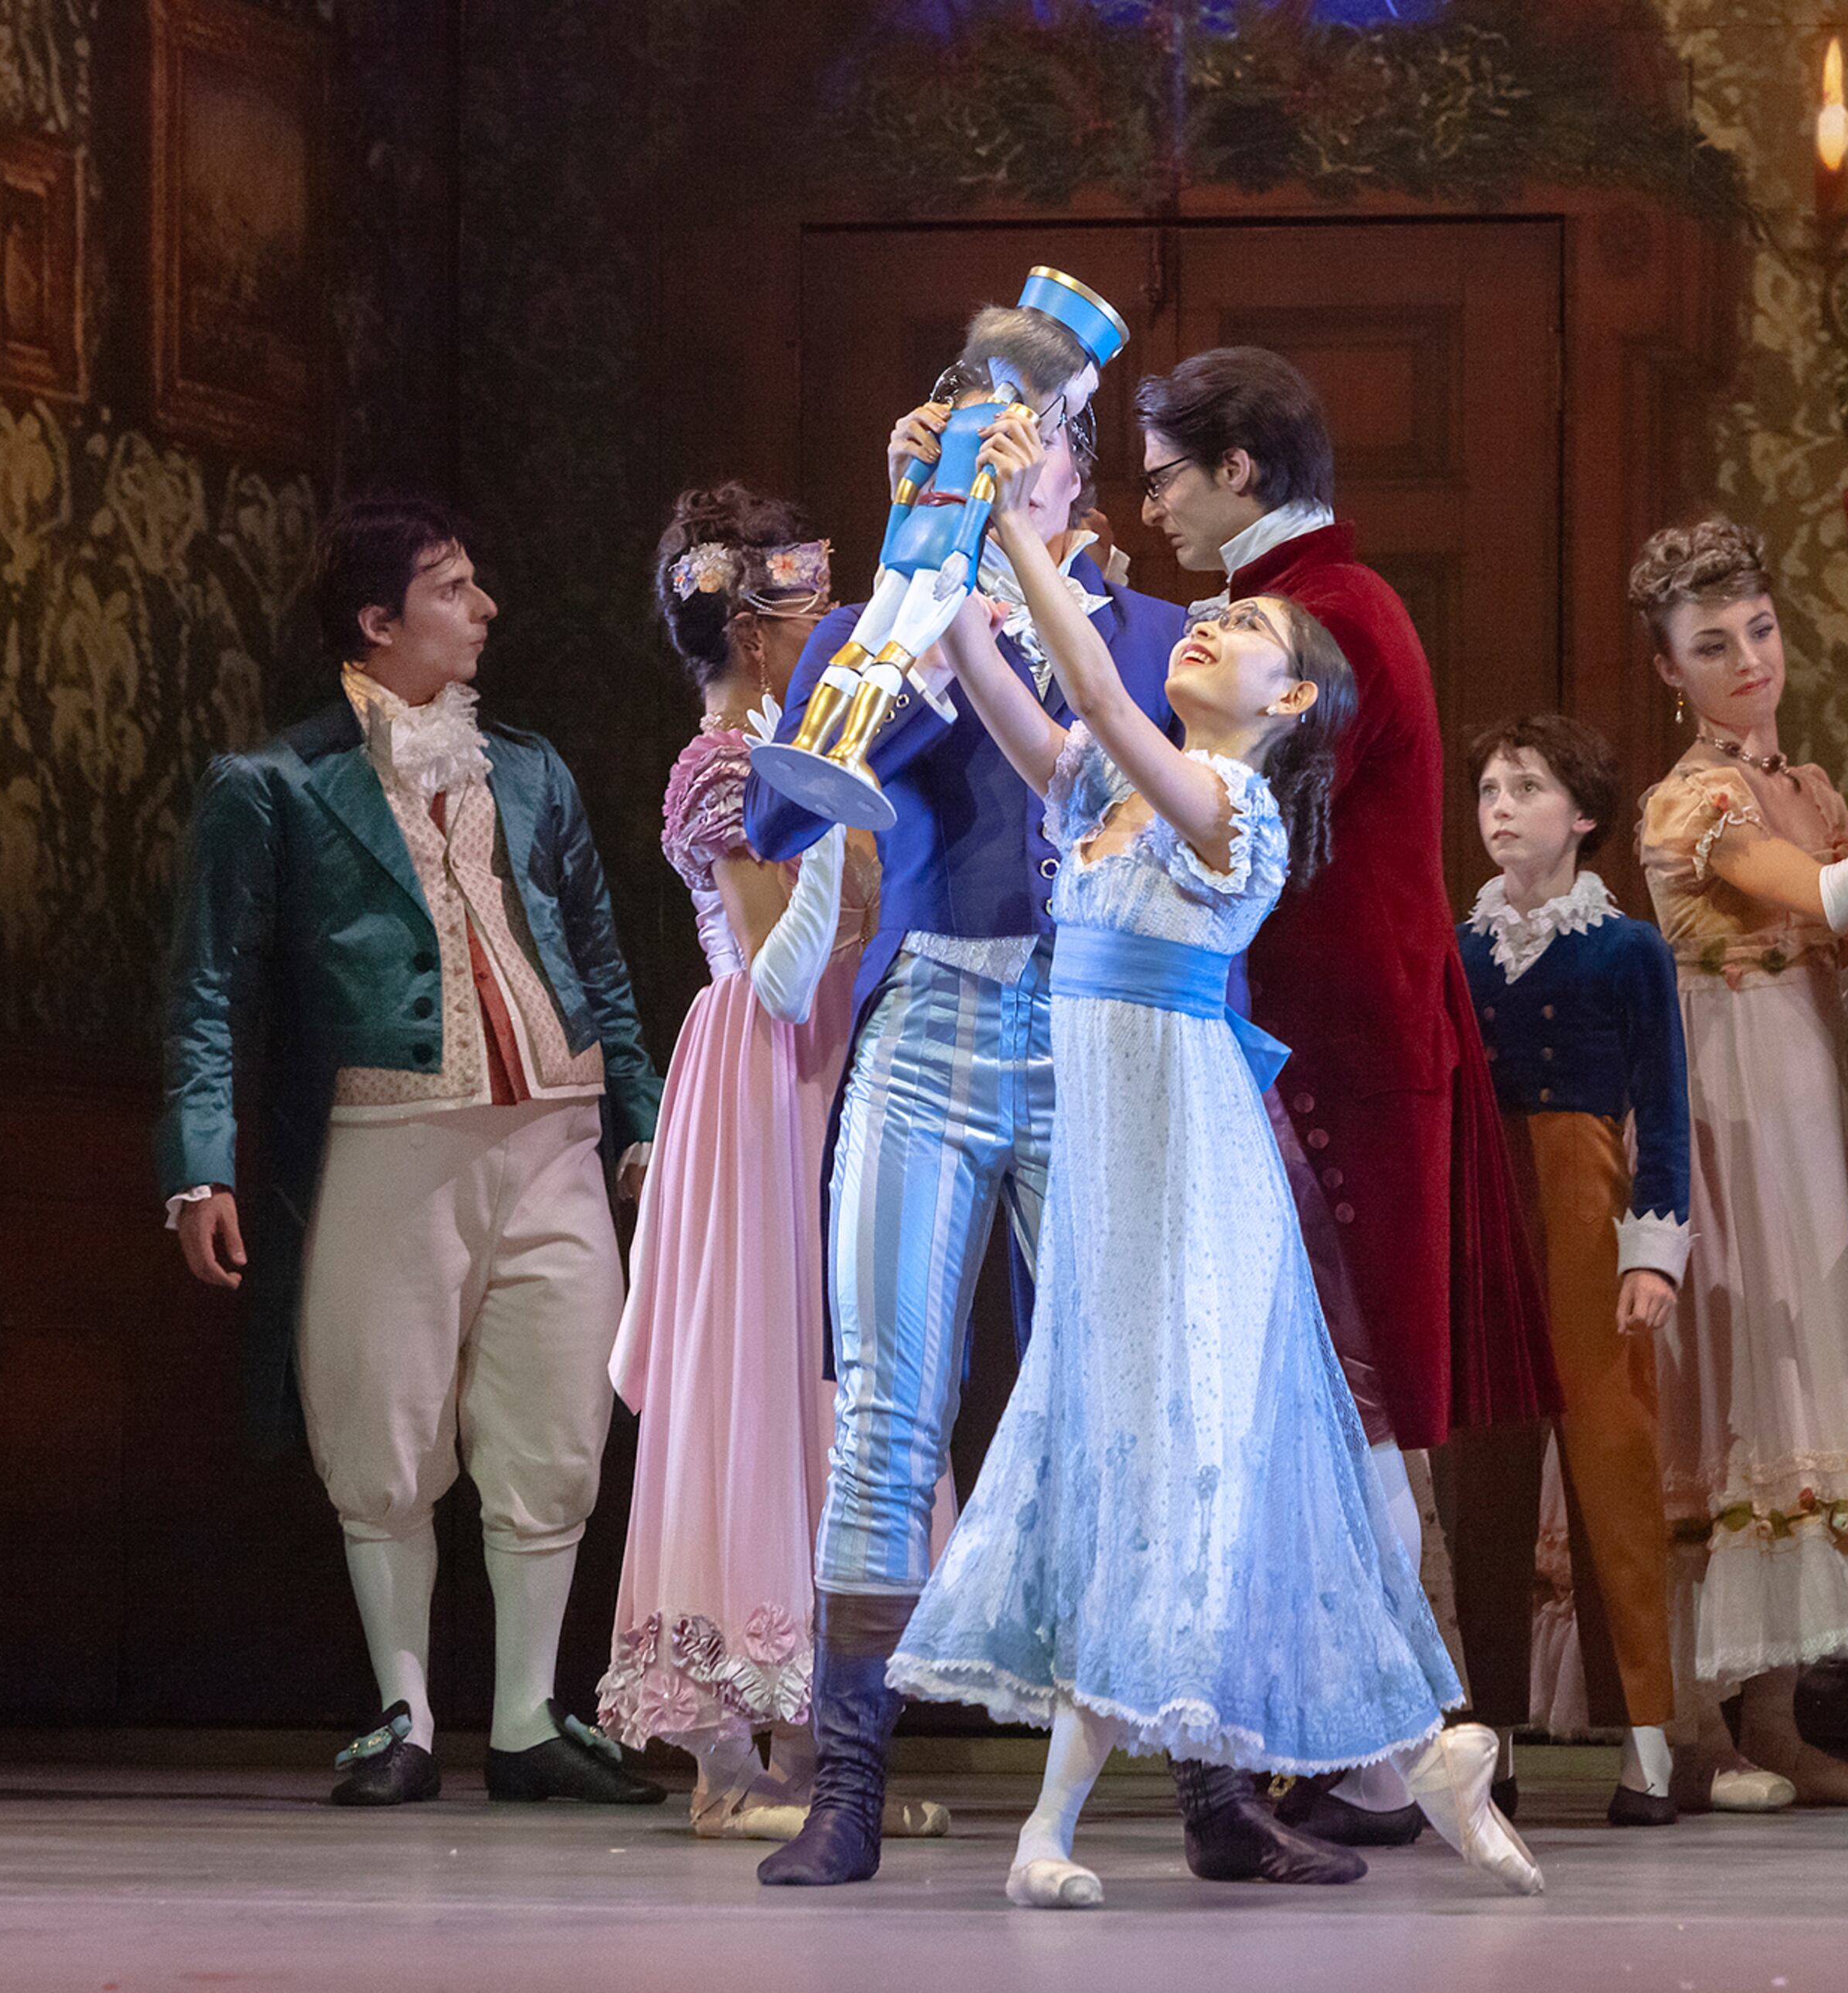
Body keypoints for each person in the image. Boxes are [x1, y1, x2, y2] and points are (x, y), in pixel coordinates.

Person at [885, 406, 1539, 1909]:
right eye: (1215, 613)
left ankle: (1352, 1762)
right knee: (1114, 1479)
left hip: (1196, 1183)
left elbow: (1107, 705)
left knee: (1176, 1484)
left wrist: (1018, 540)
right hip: (1120, 1188)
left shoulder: (1231, 807)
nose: (1212, 629)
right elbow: (1021, 703)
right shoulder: (1113, 796)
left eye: (1244, 627)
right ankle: (1391, 1757)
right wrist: (948, 537)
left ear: (1291, 698)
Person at [744, 319, 1208, 1889]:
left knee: (1121, 1404)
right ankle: (849, 1779)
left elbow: (1143, 803)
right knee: (885, 1404)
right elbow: (776, 802)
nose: (999, 448)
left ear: (1080, 471)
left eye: (1029, 433)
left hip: (1094, 1028)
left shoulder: (1150, 634)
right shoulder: (897, 613)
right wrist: (908, 588)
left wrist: (985, 622)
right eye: (969, 426)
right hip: (935, 1009)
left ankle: (1210, 1785)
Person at [158, 497, 664, 1808]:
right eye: (453, 587)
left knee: (554, 1426)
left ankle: (524, 1717)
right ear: (378, 621)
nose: (484, 607)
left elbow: (600, 960)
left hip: (554, 1133)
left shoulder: (536, 771)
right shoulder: (273, 784)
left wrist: (643, 1126)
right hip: (387, 1139)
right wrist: (199, 1160)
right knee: (380, 1423)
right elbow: (208, 984)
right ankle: (402, 1711)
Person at [1135, 347, 1555, 1786]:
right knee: (1320, 1397)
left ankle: (1383, 1742)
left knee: (1345, 1395)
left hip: (1336, 1055)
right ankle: (1362, 1736)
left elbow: (1224, 812)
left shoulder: (1318, 618)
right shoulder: (1313, 605)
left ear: (1240, 469)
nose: (1152, 510)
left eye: (1167, 477)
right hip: (1330, 1039)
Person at [597, 488, 947, 1847]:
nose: (836, 633)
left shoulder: (795, 746)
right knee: (761, 1374)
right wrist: (840, 821)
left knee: (839, 1377)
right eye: (811, 615)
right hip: (761, 1073)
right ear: (750, 633)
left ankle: (819, 1748)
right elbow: (781, 967)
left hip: (836, 1062)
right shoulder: (728, 766)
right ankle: (729, 1760)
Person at [1628, 518, 1848, 1811]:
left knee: (1797, 1375)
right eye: (1713, 645)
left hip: (1806, 1108)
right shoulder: (1690, 799)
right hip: (1715, 1111)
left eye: (1758, 629)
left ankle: (1778, 1720)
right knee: (1720, 1378)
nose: (1749, 658)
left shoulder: (1810, 791)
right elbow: (1820, 900)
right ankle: (1699, 1726)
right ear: (1673, 672)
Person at [1456, 714, 1689, 1827]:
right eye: (1490, 789)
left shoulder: (1626, 946)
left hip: (1588, 1205)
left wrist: (1656, 1247)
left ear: (1583, 814)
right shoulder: (1463, 947)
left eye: (1527, 787)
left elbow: (1667, 1106)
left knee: (1612, 1460)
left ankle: (1648, 1740)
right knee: (1485, 1480)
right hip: (1487, 1215)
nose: (1501, 806)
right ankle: (1485, 1734)